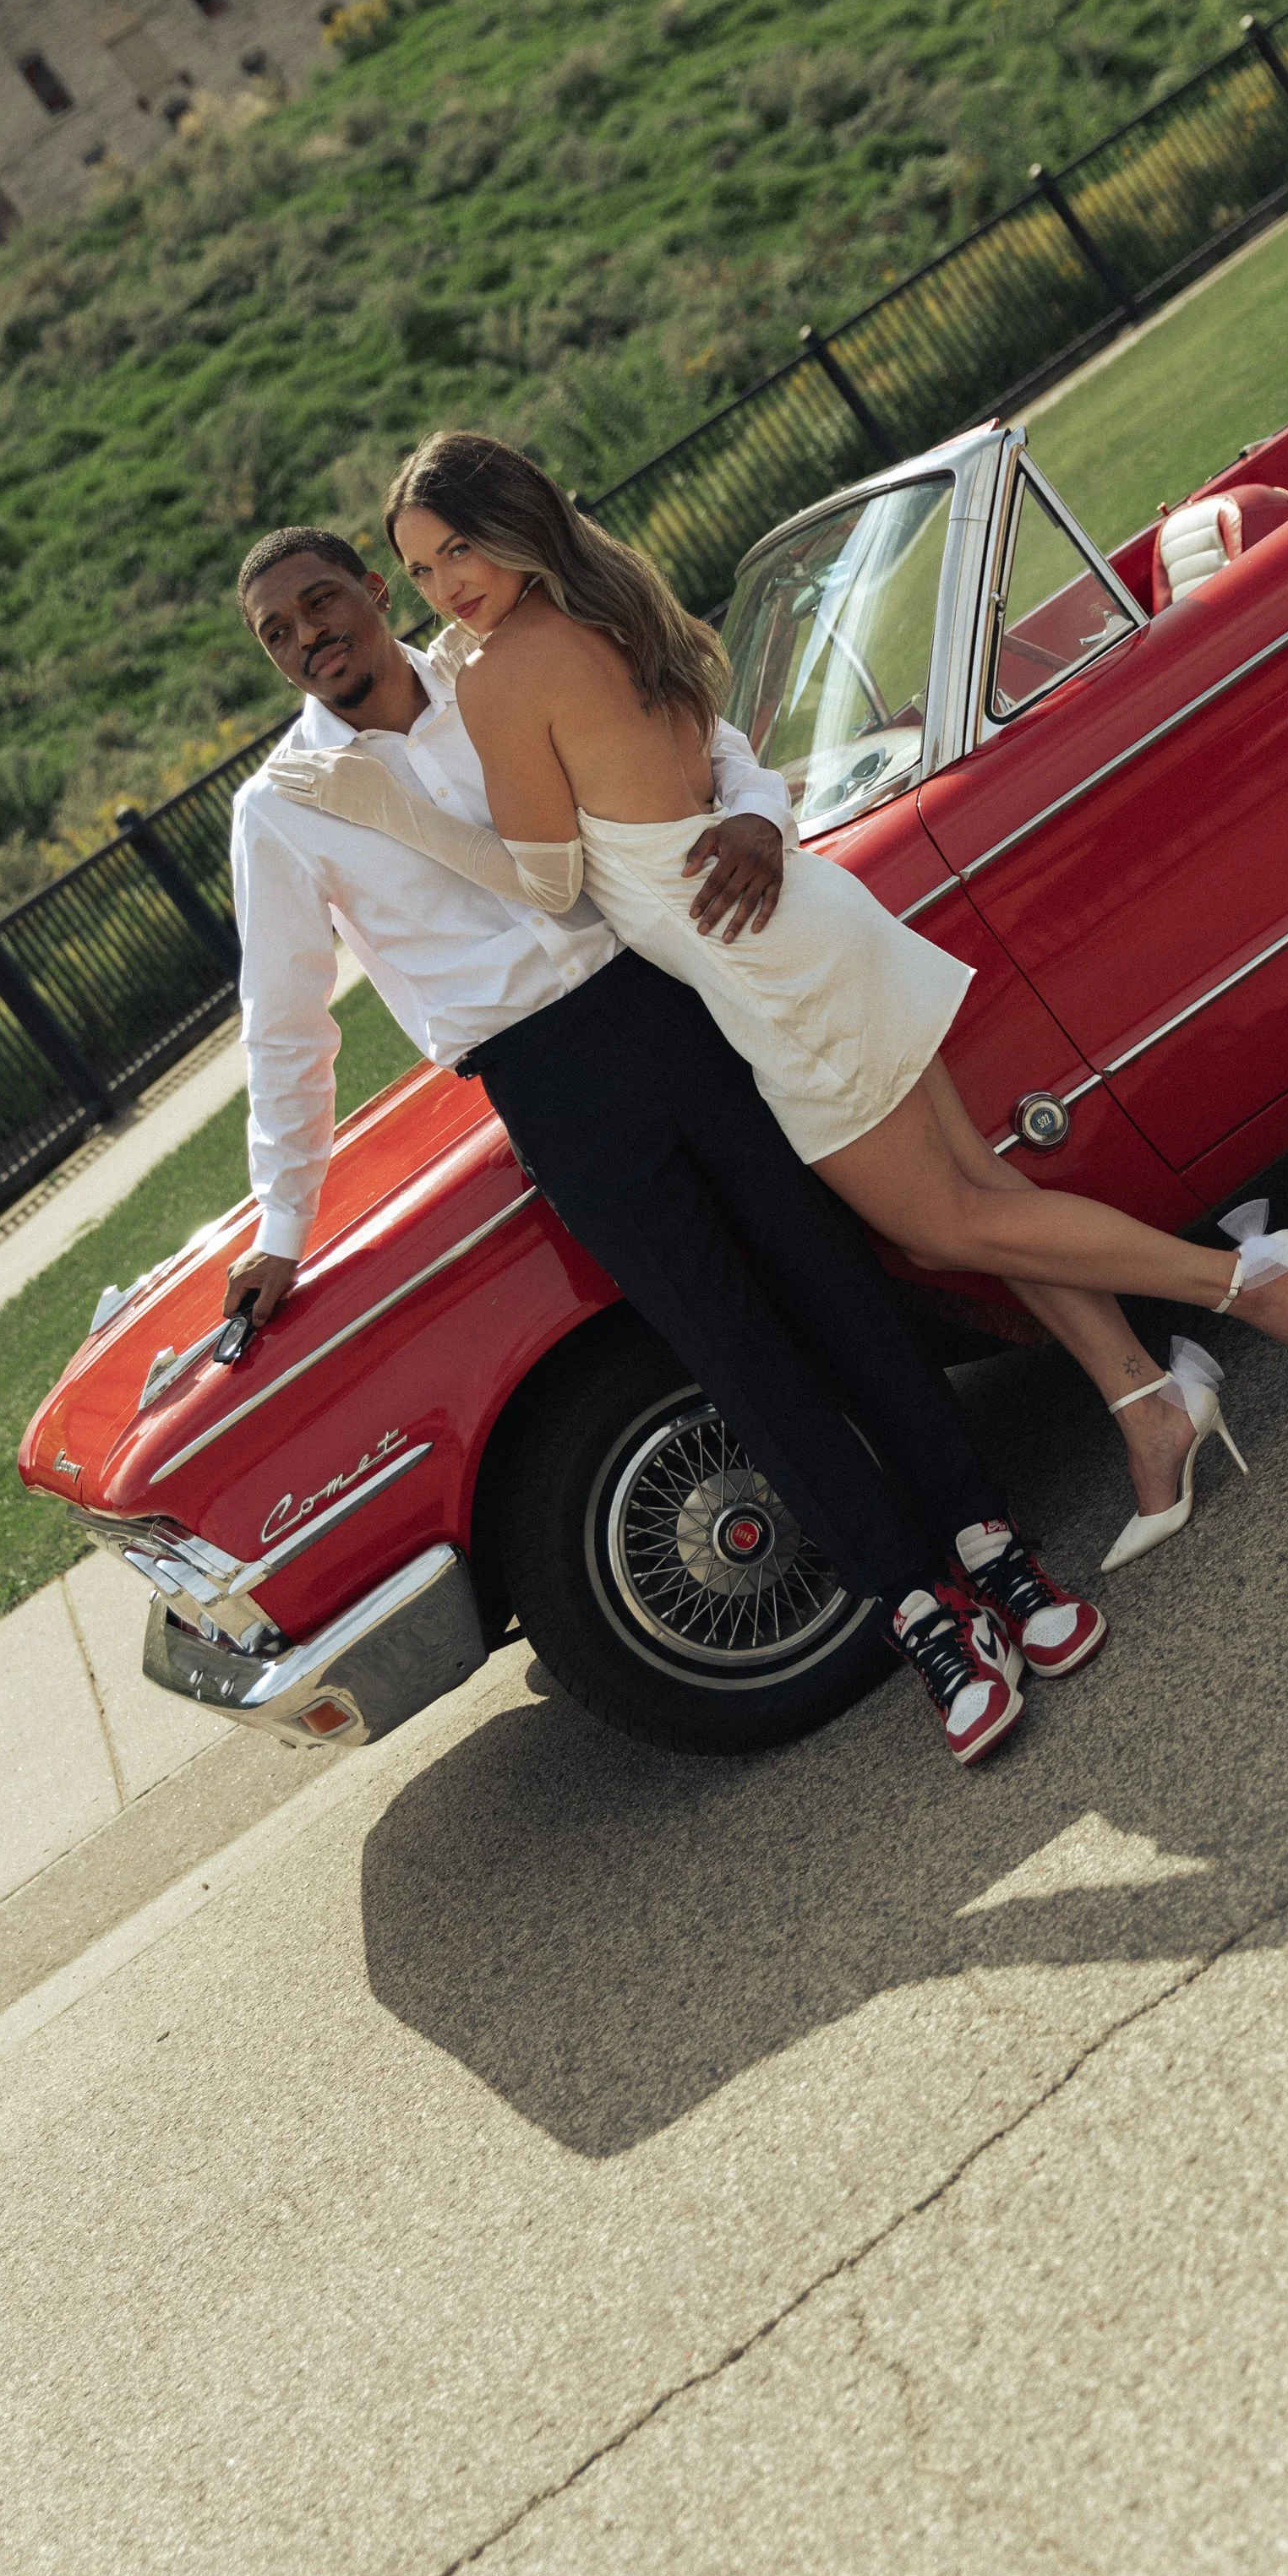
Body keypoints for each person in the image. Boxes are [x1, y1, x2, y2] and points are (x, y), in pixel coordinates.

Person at [271, 435, 1288, 1576]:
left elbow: (550, 884)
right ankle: (1148, 1402)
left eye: (459, 550)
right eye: (420, 573)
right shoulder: (616, 603)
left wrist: (390, 810)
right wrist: (747, 810)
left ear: (515, 524)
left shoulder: (504, 672)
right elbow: (707, 764)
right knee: (984, 1193)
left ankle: (1250, 1280)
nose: (446, 589)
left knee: (942, 1225)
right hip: (803, 927)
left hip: (769, 971)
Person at [225, 521, 1111, 1772]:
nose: (307, 635)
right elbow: (286, 1028)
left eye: (322, 602)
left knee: (831, 1276)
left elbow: (707, 740)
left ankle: (992, 1546)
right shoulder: (283, 809)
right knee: (729, 1343)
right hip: (545, 1084)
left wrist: (758, 814)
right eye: (277, 632)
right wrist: (280, 1224)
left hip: (668, 998)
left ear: (374, 592)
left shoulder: (501, 669)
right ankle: (918, 1609)